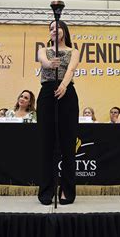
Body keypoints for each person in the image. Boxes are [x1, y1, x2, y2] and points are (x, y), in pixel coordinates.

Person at [37, 20, 79, 206]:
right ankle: (47, 190)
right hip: (47, 94)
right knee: (47, 144)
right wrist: (49, 63)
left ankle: (67, 190)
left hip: (67, 94)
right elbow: (44, 62)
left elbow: (71, 69)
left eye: (57, 27)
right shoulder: (43, 50)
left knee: (68, 145)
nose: (54, 30)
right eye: (51, 29)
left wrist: (63, 85)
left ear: (64, 31)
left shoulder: (73, 51)